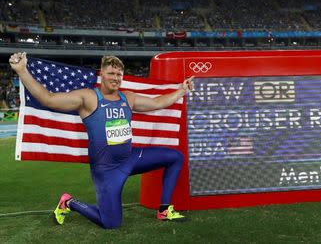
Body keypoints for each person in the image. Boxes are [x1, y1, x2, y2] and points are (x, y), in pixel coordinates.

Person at [9, 52, 194, 228]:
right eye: (111, 73)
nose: (115, 77)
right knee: (111, 224)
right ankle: (69, 202)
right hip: (107, 171)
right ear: (102, 74)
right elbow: (48, 99)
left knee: (175, 157)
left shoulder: (127, 97)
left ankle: (164, 210)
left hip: (131, 158)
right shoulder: (88, 97)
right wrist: (22, 71)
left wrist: (181, 90)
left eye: (119, 74)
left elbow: (157, 103)